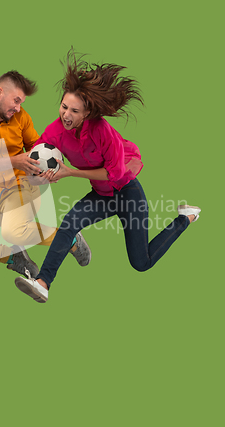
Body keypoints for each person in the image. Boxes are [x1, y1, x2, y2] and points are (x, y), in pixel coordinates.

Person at [14, 50, 201, 303]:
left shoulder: (103, 131)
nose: (66, 115)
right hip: (102, 196)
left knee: (141, 263)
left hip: (127, 192)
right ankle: (43, 283)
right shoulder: (55, 131)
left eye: (74, 111)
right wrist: (34, 173)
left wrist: (70, 172)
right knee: (70, 221)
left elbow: (114, 173)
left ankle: (184, 218)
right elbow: (36, 157)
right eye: (64, 106)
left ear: (88, 113)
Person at [0, 70, 91, 278]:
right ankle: (13, 257)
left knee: (12, 231)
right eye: (16, 100)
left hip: (21, 187)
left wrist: (47, 171)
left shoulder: (21, 117)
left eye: (21, 102)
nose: (18, 107)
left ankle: (68, 238)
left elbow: (38, 148)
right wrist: (14, 160)